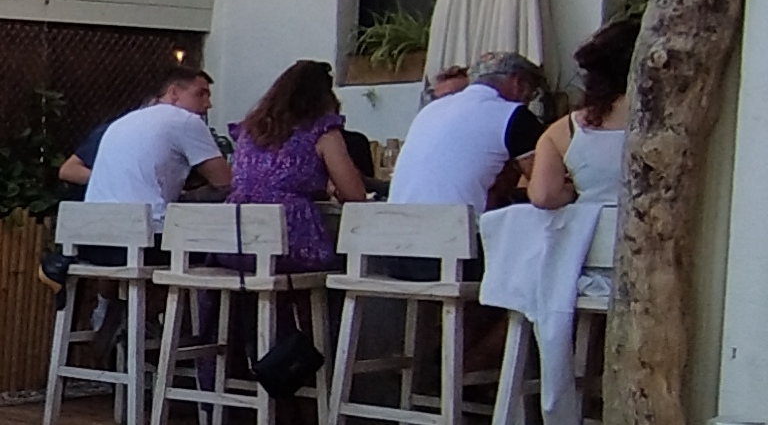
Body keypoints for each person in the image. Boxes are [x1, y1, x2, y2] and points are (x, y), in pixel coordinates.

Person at [228, 59, 367, 268]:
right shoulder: (323, 132)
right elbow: (355, 195)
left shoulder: (250, 131)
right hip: (290, 244)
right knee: (348, 262)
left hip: (233, 243)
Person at [387, 52, 544, 210]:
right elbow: (547, 184)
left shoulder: (431, 109)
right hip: (453, 222)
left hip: (396, 218)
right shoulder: (513, 114)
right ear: (519, 83)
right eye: (532, 92)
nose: (529, 100)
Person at [84, 69, 231, 217]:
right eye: (200, 94)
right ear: (173, 93)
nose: (208, 104)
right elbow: (225, 182)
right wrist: (188, 197)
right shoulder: (185, 120)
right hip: (146, 222)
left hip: (93, 219)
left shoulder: (124, 121)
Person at [527, 14, 634, 211]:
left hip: (594, 224)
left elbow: (544, 196)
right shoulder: (674, 120)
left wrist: (572, 192)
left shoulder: (565, 130)